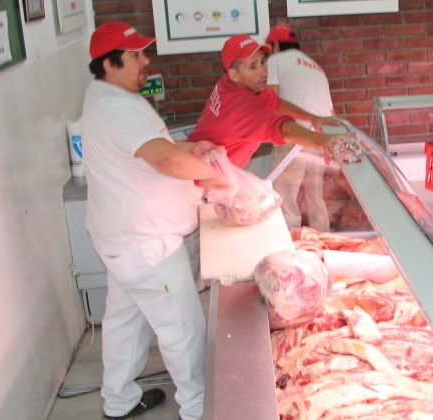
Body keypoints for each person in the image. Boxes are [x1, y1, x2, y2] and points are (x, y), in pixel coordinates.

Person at [81, 22, 227, 420]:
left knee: (125, 324)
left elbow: (152, 147)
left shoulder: (107, 96)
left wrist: (189, 147)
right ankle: (199, 409)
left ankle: (119, 401)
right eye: (135, 56)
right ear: (108, 64)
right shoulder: (116, 109)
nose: (146, 61)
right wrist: (217, 176)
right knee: (182, 329)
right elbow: (162, 158)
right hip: (147, 247)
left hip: (122, 241)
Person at [188, 35, 345, 169]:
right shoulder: (241, 107)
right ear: (234, 74)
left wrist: (312, 118)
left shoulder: (232, 82)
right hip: (200, 180)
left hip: (216, 170)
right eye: (253, 67)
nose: (264, 72)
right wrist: (322, 140)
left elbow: (276, 103)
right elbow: (282, 129)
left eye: (263, 61)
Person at [265, 25, 332, 231]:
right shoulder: (315, 66)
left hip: (294, 136)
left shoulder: (274, 61)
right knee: (315, 195)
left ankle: (287, 242)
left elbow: (271, 101)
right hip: (320, 137)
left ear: (276, 46)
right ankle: (323, 237)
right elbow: (329, 110)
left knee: (284, 196)